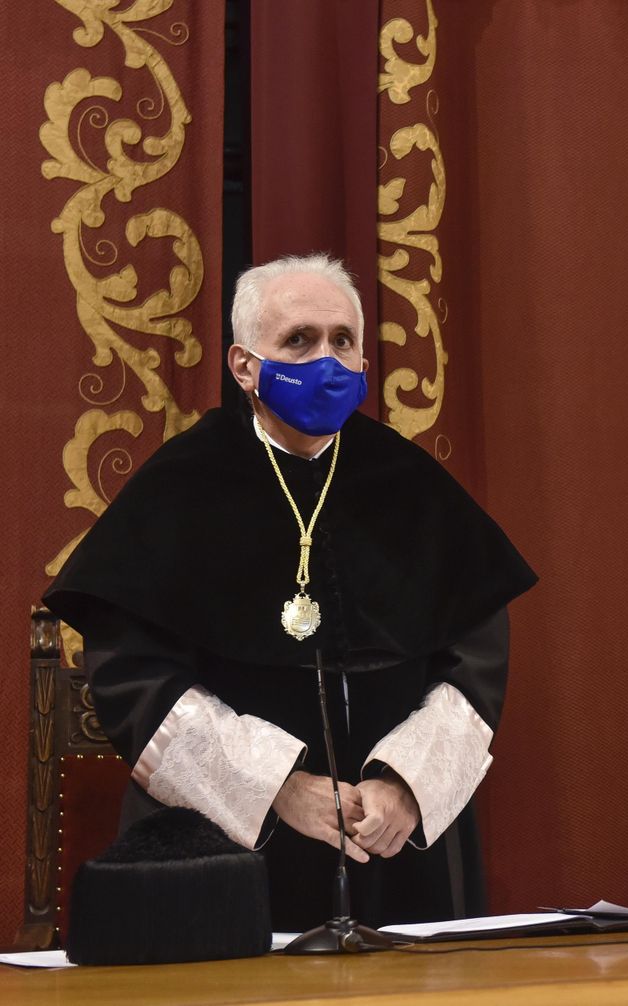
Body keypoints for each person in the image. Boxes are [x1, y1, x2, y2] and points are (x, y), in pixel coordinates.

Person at [46, 253, 537, 929]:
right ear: (244, 365)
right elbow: (134, 678)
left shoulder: (412, 489)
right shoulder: (181, 489)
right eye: (299, 341)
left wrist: (404, 787)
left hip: (394, 846)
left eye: (343, 341)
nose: (326, 362)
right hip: (226, 849)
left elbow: (476, 665)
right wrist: (277, 787)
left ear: (366, 361)